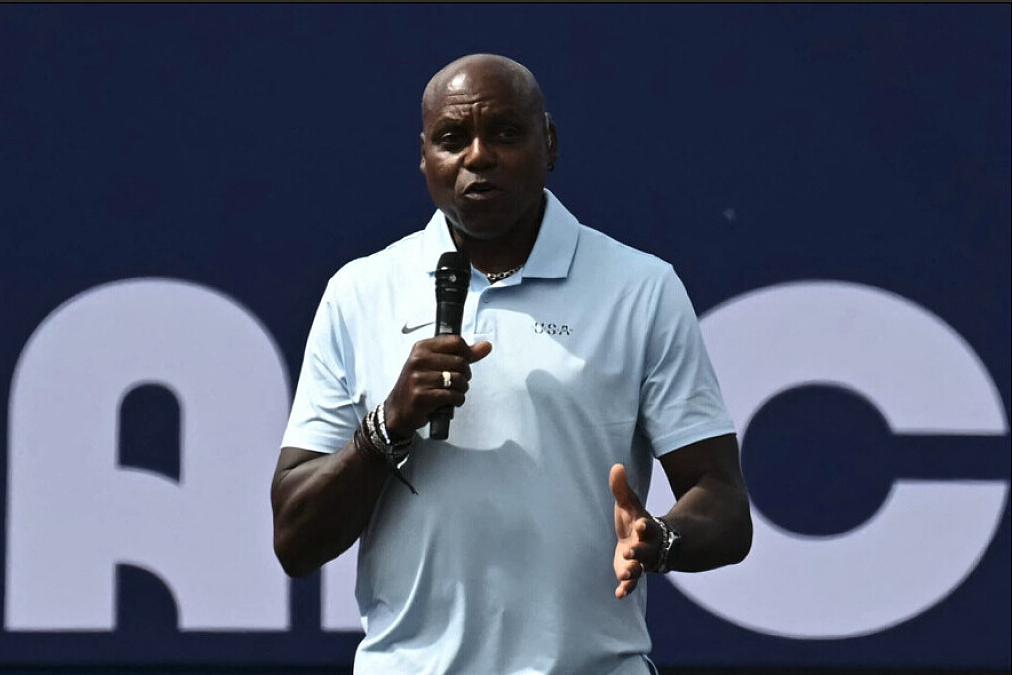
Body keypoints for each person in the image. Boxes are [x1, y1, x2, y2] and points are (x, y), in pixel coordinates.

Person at [271, 53, 752, 674]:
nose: (478, 156)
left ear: (549, 143)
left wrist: (660, 540)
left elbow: (723, 503)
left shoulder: (640, 288)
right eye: (452, 139)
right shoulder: (359, 293)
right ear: (424, 158)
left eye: (503, 132)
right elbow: (295, 540)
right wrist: (387, 425)